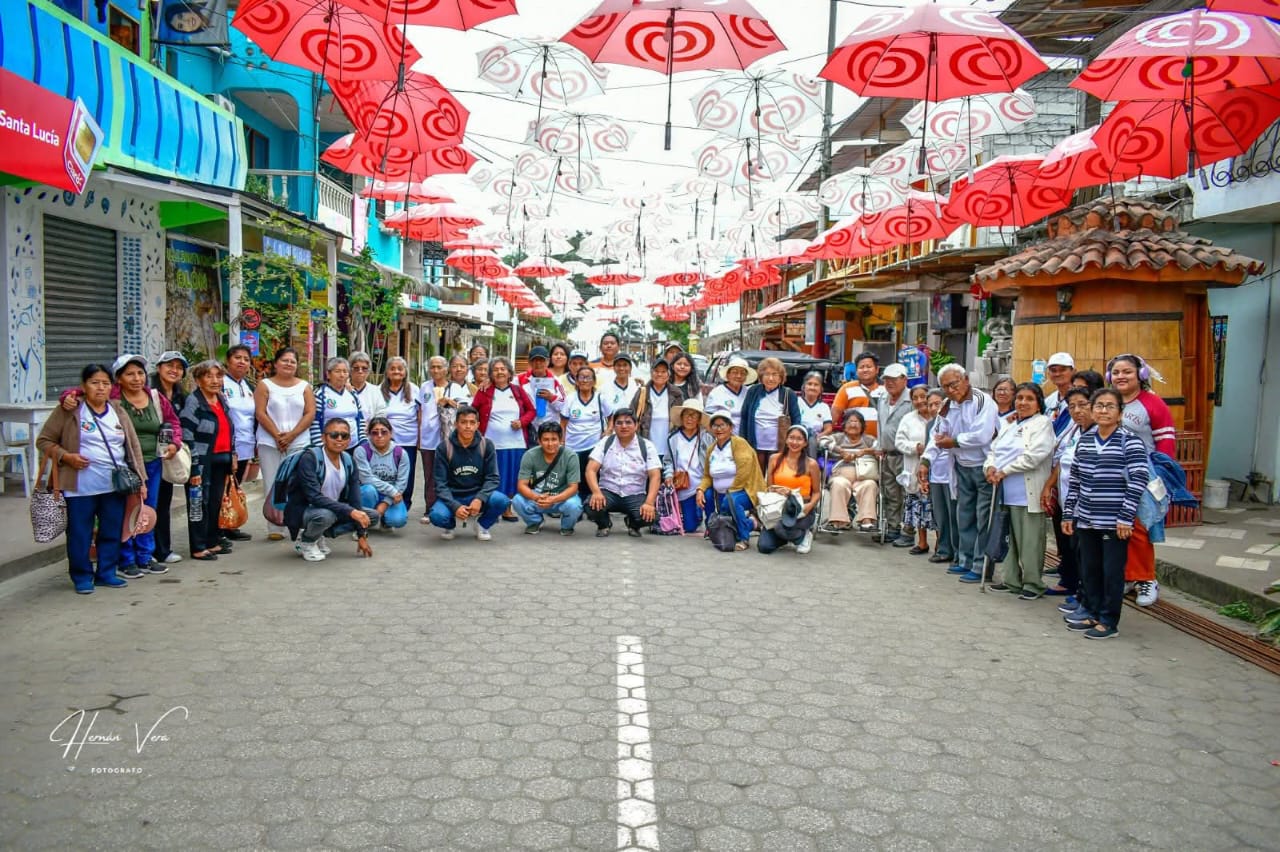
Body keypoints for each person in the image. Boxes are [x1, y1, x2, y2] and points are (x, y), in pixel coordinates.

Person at [38, 364, 148, 593]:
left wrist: (141, 480)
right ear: (83, 386)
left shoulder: (118, 410)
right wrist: (67, 457)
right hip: (79, 487)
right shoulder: (70, 409)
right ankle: (82, 576)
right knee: (80, 533)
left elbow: (133, 447)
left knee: (111, 531)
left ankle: (106, 572)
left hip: (114, 486)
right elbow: (44, 441)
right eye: (94, 383)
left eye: (105, 383)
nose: (100, 388)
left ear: (112, 387)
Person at [1061, 388, 1150, 640]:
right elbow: (1075, 479)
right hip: (1086, 518)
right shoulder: (1086, 440)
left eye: (1110, 406)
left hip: (1114, 521)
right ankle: (1092, 611)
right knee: (1090, 569)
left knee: (1111, 572)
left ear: (1120, 413)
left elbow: (1138, 479)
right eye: (1099, 406)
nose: (1103, 411)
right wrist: (1069, 514)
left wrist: (1126, 516)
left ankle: (1109, 621)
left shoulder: (1129, 441)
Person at [918, 365, 1001, 584]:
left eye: (954, 384)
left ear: (965, 379)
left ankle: (981, 566)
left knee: (983, 518)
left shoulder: (982, 401)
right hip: (961, 467)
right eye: (945, 386)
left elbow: (982, 435)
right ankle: (965, 560)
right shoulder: (947, 405)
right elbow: (937, 436)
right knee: (964, 515)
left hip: (984, 466)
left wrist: (954, 441)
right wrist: (926, 460)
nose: (950, 390)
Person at [1109, 353, 1174, 607]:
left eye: (1127, 372)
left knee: (1140, 528)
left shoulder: (1153, 403)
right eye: (1116, 372)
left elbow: (1166, 444)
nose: (1121, 377)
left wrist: (1162, 478)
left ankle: (1146, 578)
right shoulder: (1108, 400)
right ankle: (1128, 575)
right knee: (1116, 528)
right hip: (1111, 474)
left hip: (1143, 475)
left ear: (1141, 375)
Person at [111, 355, 182, 577]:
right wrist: (68, 397)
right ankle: (125, 559)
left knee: (147, 510)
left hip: (153, 462)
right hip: (125, 465)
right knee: (127, 511)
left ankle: (145, 556)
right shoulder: (113, 398)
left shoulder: (155, 397)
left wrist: (174, 443)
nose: (136, 378)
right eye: (130, 374)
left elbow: (173, 422)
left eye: (140, 373)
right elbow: (81, 393)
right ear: (119, 378)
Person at [984, 383, 1056, 599]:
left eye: (1029, 399)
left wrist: (1005, 471)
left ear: (1039, 403)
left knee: (1030, 542)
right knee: (1009, 539)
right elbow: (993, 450)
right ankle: (1012, 580)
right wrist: (989, 467)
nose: (1023, 403)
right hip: (1005, 492)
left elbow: (1034, 456)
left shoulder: (1042, 423)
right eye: (1020, 398)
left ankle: (1033, 584)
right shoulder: (1011, 424)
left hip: (1027, 493)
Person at [284, 417, 373, 561]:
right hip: (304, 510)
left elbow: (355, 499)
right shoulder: (310, 458)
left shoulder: (349, 461)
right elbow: (314, 497)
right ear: (323, 438)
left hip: (331, 508)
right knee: (327, 515)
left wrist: (361, 534)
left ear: (349, 440)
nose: (339, 439)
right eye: (334, 435)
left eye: (344, 436)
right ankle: (306, 541)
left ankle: (319, 534)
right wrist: (350, 511)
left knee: (371, 516)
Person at [180, 360, 241, 561]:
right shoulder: (194, 401)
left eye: (218, 376)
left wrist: (233, 454)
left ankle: (212, 540)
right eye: (209, 376)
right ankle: (198, 546)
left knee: (215, 502)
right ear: (198, 380)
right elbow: (186, 434)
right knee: (199, 503)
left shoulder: (221, 399)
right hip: (201, 461)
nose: (215, 380)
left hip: (222, 459)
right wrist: (194, 467)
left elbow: (229, 429)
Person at [255, 348, 316, 541]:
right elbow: (260, 413)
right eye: (284, 360)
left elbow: (310, 413)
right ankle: (275, 525)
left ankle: (297, 523)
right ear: (275, 363)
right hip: (269, 442)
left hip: (299, 442)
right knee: (272, 482)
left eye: (292, 361)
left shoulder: (304, 386)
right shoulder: (265, 385)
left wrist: (291, 436)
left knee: (297, 484)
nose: (289, 364)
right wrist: (277, 436)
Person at [1043, 387, 1095, 609]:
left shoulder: (1099, 433)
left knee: (1088, 556)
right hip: (1069, 504)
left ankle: (1089, 601)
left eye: (1083, 405)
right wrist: (1049, 485)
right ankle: (1080, 594)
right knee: (1075, 551)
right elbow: (1063, 461)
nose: (1077, 410)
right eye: (1072, 406)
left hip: (1090, 509)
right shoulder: (1074, 430)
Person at [429, 406, 509, 540]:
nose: (468, 426)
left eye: (472, 422)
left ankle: (482, 525)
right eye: (463, 422)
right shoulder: (444, 447)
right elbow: (440, 483)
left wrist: (480, 498)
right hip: (453, 495)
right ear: (456, 424)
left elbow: (493, 478)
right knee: (437, 516)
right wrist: (455, 506)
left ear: (477, 425)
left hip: (477, 494)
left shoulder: (486, 445)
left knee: (502, 501)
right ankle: (449, 525)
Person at [474, 357, 536, 521]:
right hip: (492, 444)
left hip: (516, 443)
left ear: (509, 373)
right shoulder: (484, 391)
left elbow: (531, 411)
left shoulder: (518, 391)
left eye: (503, 369)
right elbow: (473, 411)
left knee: (512, 477)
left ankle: (507, 509)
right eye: (495, 369)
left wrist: (521, 422)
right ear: (490, 374)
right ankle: (492, 509)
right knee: (493, 477)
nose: (499, 372)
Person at [585, 409, 662, 537]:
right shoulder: (606, 442)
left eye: (628, 422)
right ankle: (604, 524)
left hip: (635, 493)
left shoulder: (647, 446)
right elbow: (590, 470)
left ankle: (633, 524)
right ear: (614, 426)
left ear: (636, 426)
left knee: (650, 516)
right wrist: (596, 492)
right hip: (608, 491)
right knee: (591, 506)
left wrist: (649, 503)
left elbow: (655, 476)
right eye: (619, 423)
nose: (624, 426)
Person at [696, 412, 766, 550]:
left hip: (745, 491)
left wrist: (730, 492)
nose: (719, 429)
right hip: (722, 494)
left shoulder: (739, 443)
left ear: (731, 427)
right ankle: (715, 527)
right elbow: (707, 476)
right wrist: (700, 489)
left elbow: (744, 472)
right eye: (715, 426)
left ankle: (744, 538)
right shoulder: (711, 449)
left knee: (732, 501)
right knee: (707, 494)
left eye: (722, 425)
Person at [758, 425, 822, 555]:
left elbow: (817, 492)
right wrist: (778, 491)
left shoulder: (811, 464)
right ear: (786, 440)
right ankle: (786, 537)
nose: (794, 442)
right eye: (791, 438)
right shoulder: (774, 459)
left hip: (801, 507)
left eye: (799, 439)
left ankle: (803, 536)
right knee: (764, 547)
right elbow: (769, 487)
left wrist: (809, 506)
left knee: (782, 528)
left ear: (805, 443)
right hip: (779, 506)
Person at [513, 422, 584, 535]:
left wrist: (553, 499)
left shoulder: (571, 456)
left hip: (562, 497)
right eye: (545, 440)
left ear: (561, 440)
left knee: (575, 505)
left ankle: (567, 526)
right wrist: (536, 497)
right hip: (539, 496)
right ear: (539, 441)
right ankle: (535, 522)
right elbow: (521, 485)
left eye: (554, 439)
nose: (550, 444)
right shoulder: (529, 455)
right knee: (517, 500)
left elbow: (573, 487)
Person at [151, 351, 189, 564]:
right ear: (159, 368)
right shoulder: (147, 392)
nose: (174, 370)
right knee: (148, 504)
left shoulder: (181, 397)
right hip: (148, 455)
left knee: (163, 503)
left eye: (179, 367)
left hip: (168, 455)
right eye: (169, 365)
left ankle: (162, 550)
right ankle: (145, 551)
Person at [819, 412, 880, 533]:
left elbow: (880, 447)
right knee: (838, 484)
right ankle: (838, 521)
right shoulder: (838, 437)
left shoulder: (869, 439)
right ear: (844, 425)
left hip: (864, 476)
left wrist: (865, 451)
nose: (853, 424)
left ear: (862, 425)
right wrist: (840, 451)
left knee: (870, 485)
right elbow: (821, 440)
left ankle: (867, 521)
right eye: (850, 421)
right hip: (841, 474)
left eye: (856, 422)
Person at [221, 344, 257, 543]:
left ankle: (231, 524)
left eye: (246, 359)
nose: (242, 362)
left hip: (246, 444)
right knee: (222, 488)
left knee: (235, 487)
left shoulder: (249, 386)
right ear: (228, 361)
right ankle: (218, 528)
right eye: (237, 358)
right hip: (226, 445)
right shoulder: (221, 383)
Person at [740, 356, 802, 472]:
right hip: (755, 445)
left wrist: (793, 443)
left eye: (775, 374)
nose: (771, 378)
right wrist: (743, 442)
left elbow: (796, 420)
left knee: (776, 476)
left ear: (781, 377)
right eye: (767, 374)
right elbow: (744, 417)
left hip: (779, 447)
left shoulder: (788, 394)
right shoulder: (753, 391)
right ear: (761, 376)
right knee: (756, 476)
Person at [877, 363, 915, 547]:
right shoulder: (882, 398)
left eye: (894, 379)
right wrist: (880, 446)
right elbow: (880, 424)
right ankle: (892, 528)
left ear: (904, 379)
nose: (889, 382)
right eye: (886, 379)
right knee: (890, 493)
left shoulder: (912, 399)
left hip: (906, 455)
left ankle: (908, 532)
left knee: (908, 494)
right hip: (887, 453)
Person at [922, 389, 960, 571]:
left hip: (951, 473)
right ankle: (944, 548)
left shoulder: (954, 419)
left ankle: (958, 552)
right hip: (935, 474)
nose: (934, 408)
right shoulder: (931, 424)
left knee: (954, 515)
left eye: (937, 404)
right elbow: (929, 448)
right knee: (940, 515)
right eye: (930, 405)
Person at [557, 365, 608, 498]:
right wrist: (562, 442)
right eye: (581, 377)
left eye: (588, 377)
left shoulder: (600, 398)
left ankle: (591, 503)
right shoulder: (570, 399)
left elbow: (612, 415)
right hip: (573, 446)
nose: (585, 380)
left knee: (592, 477)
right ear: (576, 380)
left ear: (594, 381)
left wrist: (608, 430)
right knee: (574, 478)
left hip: (594, 446)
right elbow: (563, 423)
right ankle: (575, 503)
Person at [379, 356, 421, 514]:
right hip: (386, 441)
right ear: (387, 372)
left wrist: (420, 438)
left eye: (400, 369)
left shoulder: (414, 390)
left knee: (407, 475)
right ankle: (385, 504)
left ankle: (404, 505)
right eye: (392, 368)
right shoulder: (379, 390)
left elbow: (420, 415)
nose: (396, 371)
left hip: (409, 440)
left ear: (405, 372)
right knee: (387, 474)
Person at [895, 385, 933, 556]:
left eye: (923, 396)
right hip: (914, 466)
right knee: (918, 505)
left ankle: (941, 544)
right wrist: (915, 447)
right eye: (915, 398)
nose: (919, 401)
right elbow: (899, 442)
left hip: (937, 469)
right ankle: (922, 542)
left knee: (936, 507)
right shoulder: (908, 419)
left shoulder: (939, 416)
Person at [356, 416, 410, 530]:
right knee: (368, 490)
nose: (379, 436)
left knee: (398, 520)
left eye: (384, 432)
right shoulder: (361, 451)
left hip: (391, 495)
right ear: (369, 435)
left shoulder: (401, 453)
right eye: (375, 433)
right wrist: (393, 491)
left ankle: (384, 520)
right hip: (371, 493)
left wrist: (386, 503)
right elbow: (366, 479)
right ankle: (361, 524)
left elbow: (401, 483)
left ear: (391, 433)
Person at [668, 399, 713, 533]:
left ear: (699, 419)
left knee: (709, 496)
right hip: (684, 486)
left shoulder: (706, 438)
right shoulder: (673, 438)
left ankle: (711, 524)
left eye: (694, 415)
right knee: (690, 526)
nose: (690, 418)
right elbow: (668, 461)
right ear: (681, 417)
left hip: (702, 484)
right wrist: (668, 475)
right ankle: (696, 515)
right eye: (687, 414)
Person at [416, 356, 449, 522]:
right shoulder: (425, 387)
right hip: (428, 439)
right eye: (432, 367)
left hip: (447, 440)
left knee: (446, 475)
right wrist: (419, 437)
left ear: (446, 369)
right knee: (429, 476)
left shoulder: (452, 387)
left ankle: (447, 507)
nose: (435, 370)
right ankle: (429, 508)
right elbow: (420, 412)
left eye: (439, 367)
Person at [632, 358, 684, 460]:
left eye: (663, 371)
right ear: (651, 373)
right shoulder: (642, 392)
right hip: (646, 445)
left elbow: (681, 420)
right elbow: (632, 415)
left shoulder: (676, 394)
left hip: (669, 447)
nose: (659, 374)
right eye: (656, 371)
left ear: (668, 374)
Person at [310, 357, 366, 447]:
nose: (342, 375)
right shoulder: (320, 394)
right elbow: (314, 423)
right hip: (330, 447)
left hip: (354, 445)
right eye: (337, 371)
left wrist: (363, 441)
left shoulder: (353, 393)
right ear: (328, 374)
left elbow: (360, 419)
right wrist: (320, 446)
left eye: (345, 372)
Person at [831, 351, 886, 440]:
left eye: (869, 367)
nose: (865, 370)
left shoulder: (886, 389)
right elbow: (833, 416)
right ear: (856, 371)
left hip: (881, 443)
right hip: (854, 443)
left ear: (877, 370)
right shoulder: (846, 388)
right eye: (861, 367)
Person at [517, 346, 564, 430]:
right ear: (529, 362)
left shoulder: (555, 381)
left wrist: (551, 397)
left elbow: (564, 405)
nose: (538, 363)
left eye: (541, 360)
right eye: (534, 360)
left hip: (550, 428)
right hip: (528, 427)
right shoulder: (519, 379)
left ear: (548, 361)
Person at [705, 356, 756, 434]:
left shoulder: (749, 393)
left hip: (745, 437)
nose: (739, 376)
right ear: (728, 375)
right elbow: (708, 419)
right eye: (735, 372)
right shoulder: (717, 393)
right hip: (722, 436)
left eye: (742, 373)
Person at [348, 351, 387, 421]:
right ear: (350, 370)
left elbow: (381, 413)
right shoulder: (342, 389)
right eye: (356, 368)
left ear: (369, 371)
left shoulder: (375, 391)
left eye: (364, 368)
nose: (360, 371)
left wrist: (371, 424)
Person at [1042, 352, 1076, 433]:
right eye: (1053, 370)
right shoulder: (1048, 401)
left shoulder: (1081, 399)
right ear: (1048, 374)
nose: (1057, 374)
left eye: (1062, 370)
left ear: (1073, 371)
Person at [599, 353, 637, 420]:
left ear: (630, 368)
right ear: (614, 368)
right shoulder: (605, 388)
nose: (621, 368)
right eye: (618, 365)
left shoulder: (636, 386)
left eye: (625, 365)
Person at [797, 371, 833, 439]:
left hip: (816, 439)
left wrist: (817, 437)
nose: (812, 387)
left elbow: (828, 429)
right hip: (797, 438)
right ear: (804, 387)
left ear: (821, 389)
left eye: (816, 385)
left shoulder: (824, 407)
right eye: (809, 384)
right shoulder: (796, 402)